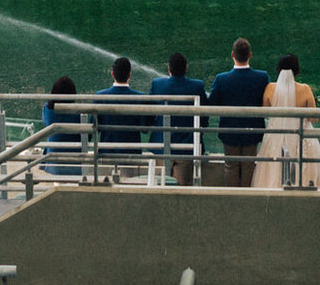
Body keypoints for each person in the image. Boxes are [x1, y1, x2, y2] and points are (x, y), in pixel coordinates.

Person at [207, 38, 271, 188]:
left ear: (232, 55)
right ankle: (247, 199)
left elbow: (212, 104)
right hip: (252, 130)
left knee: (231, 166)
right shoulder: (262, 77)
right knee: (249, 166)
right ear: (250, 55)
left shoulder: (221, 79)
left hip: (229, 130)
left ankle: (232, 198)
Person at [253, 54, 320, 190]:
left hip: (275, 135)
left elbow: (265, 112)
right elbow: (315, 118)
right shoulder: (305, 89)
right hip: (301, 136)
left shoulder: (270, 88)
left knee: (271, 168)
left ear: (278, 69)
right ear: (296, 70)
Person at [149, 53, 206, 184]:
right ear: (186, 68)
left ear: (169, 69)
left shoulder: (157, 84)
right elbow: (204, 117)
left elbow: (150, 114)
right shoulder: (197, 86)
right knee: (182, 192)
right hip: (187, 148)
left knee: (160, 188)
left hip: (160, 147)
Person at [94, 55, 144, 170]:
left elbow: (96, 126)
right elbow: (144, 128)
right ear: (130, 75)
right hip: (132, 154)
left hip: (107, 153)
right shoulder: (139, 98)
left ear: (112, 74)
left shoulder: (100, 96)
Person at [40, 75, 81, 178]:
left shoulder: (48, 110)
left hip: (53, 162)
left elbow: (45, 124)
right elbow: (86, 136)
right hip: (75, 163)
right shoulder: (78, 113)